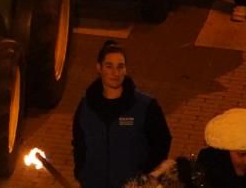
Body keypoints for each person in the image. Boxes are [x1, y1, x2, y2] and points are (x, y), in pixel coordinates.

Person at [71, 41, 172, 188]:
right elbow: (79, 143)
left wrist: (143, 175)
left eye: (120, 66)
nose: (115, 73)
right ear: (99, 68)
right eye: (109, 66)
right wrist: (81, 172)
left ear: (126, 69)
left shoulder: (146, 106)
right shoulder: (86, 106)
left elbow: (162, 141)